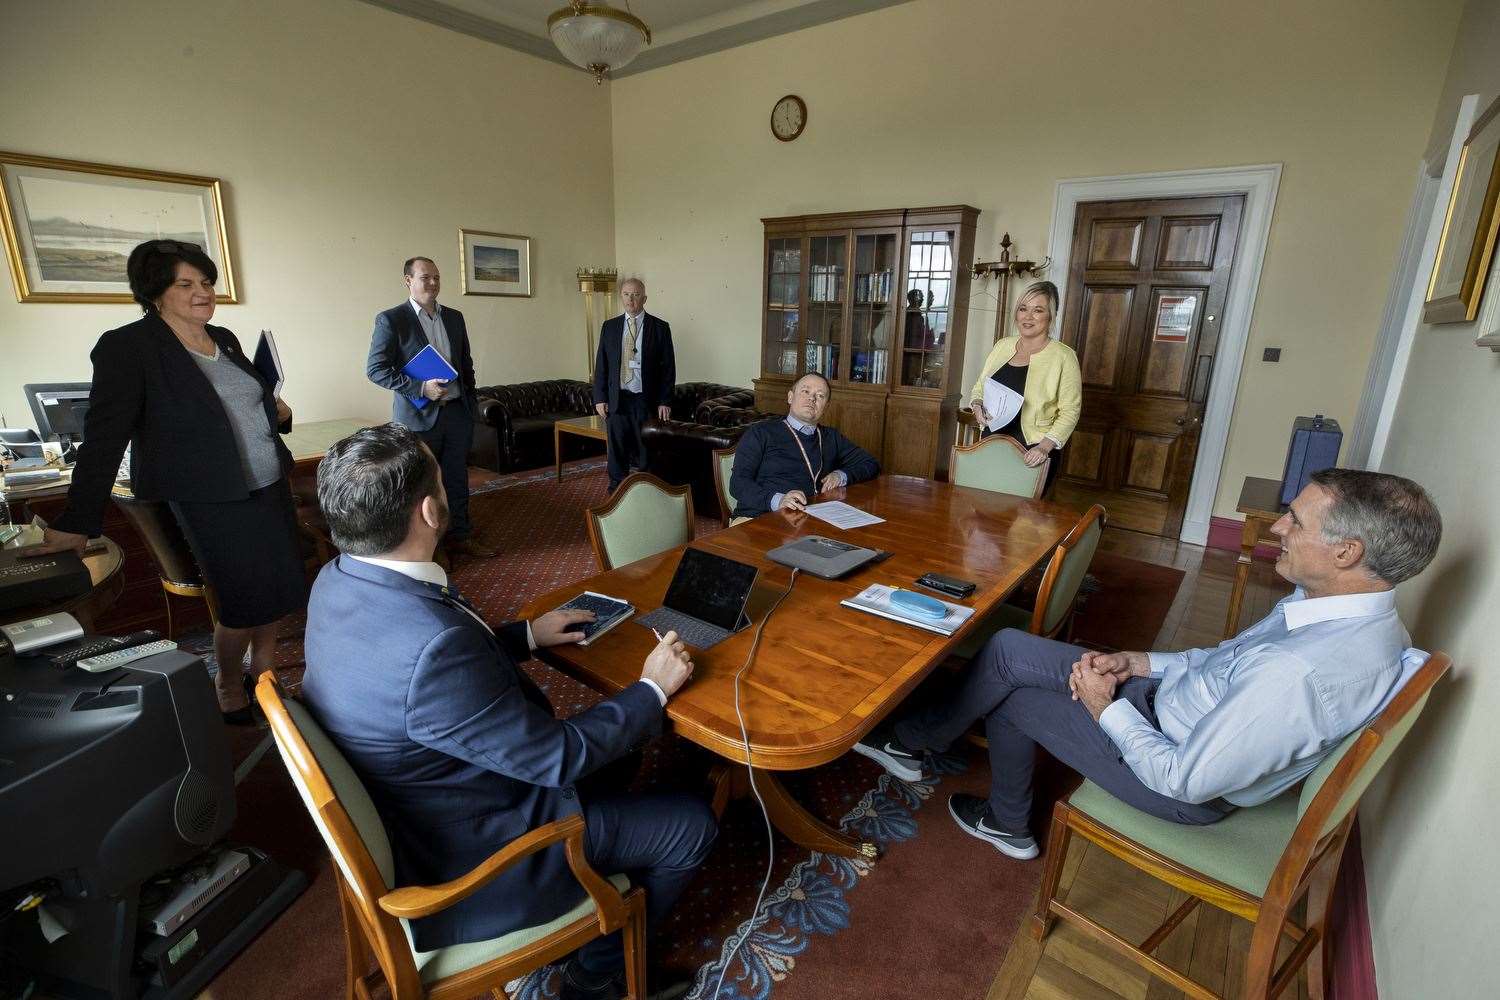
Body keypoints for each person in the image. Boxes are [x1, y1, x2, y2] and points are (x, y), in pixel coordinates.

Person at [301, 424, 715, 1000]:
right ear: (429, 510)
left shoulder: (339, 579)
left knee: (625, 753)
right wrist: (652, 689)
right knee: (691, 826)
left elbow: (415, 670)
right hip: (480, 854)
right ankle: (594, 977)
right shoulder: (431, 648)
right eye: (443, 479)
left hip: (427, 797)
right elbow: (556, 757)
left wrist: (524, 635)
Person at [855, 469, 1441, 860]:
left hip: (1178, 778)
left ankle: (1005, 822)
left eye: (1296, 520)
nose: (1278, 528)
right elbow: (1226, 664)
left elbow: (1184, 780)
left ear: (1347, 552)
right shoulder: (1346, 614)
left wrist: (1104, 709)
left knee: (1013, 699)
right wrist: (1145, 661)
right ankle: (916, 738)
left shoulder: (1303, 673)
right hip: (1167, 707)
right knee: (1007, 650)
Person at [23, 240, 305, 723]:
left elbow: (244, 405)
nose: (203, 293)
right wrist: (78, 520)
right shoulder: (128, 348)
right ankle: (227, 685)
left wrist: (278, 413)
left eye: (207, 283)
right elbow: (104, 438)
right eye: (186, 284)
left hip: (268, 484)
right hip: (209, 496)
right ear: (156, 293)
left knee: (278, 588)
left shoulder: (226, 339)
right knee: (240, 598)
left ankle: (265, 676)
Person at [366, 256, 495, 560]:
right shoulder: (391, 319)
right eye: (425, 278)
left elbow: (466, 365)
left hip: (457, 414)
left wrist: (470, 404)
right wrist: (421, 387)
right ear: (408, 281)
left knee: (457, 480)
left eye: (437, 277)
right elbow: (375, 369)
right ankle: (431, 550)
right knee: (424, 487)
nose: (433, 283)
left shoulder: (454, 317)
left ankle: (462, 539)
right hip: (419, 418)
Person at [968, 280, 1082, 496]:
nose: (1028, 317)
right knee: (984, 513)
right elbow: (980, 387)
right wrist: (976, 404)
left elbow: (1071, 411)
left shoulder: (1064, 356)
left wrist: (1044, 447)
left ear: (1050, 316)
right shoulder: (1002, 346)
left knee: (1022, 523)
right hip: (992, 443)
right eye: (1023, 309)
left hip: (1032, 450)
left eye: (1038, 310)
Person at [729, 372, 880, 520]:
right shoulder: (761, 433)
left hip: (808, 519)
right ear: (790, 397)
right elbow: (738, 483)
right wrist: (778, 501)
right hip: (757, 518)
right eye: (805, 391)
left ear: (826, 406)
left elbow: (871, 464)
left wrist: (840, 475)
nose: (812, 398)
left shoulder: (831, 437)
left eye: (820, 395)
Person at [592, 278, 675, 492]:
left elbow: (668, 368)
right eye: (627, 294)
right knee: (617, 449)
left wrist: (665, 400)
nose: (631, 299)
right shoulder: (609, 327)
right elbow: (601, 365)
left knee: (646, 450)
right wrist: (600, 398)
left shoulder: (660, 328)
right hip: (618, 398)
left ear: (644, 298)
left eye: (636, 294)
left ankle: (646, 491)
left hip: (645, 400)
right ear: (621, 297)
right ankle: (616, 492)